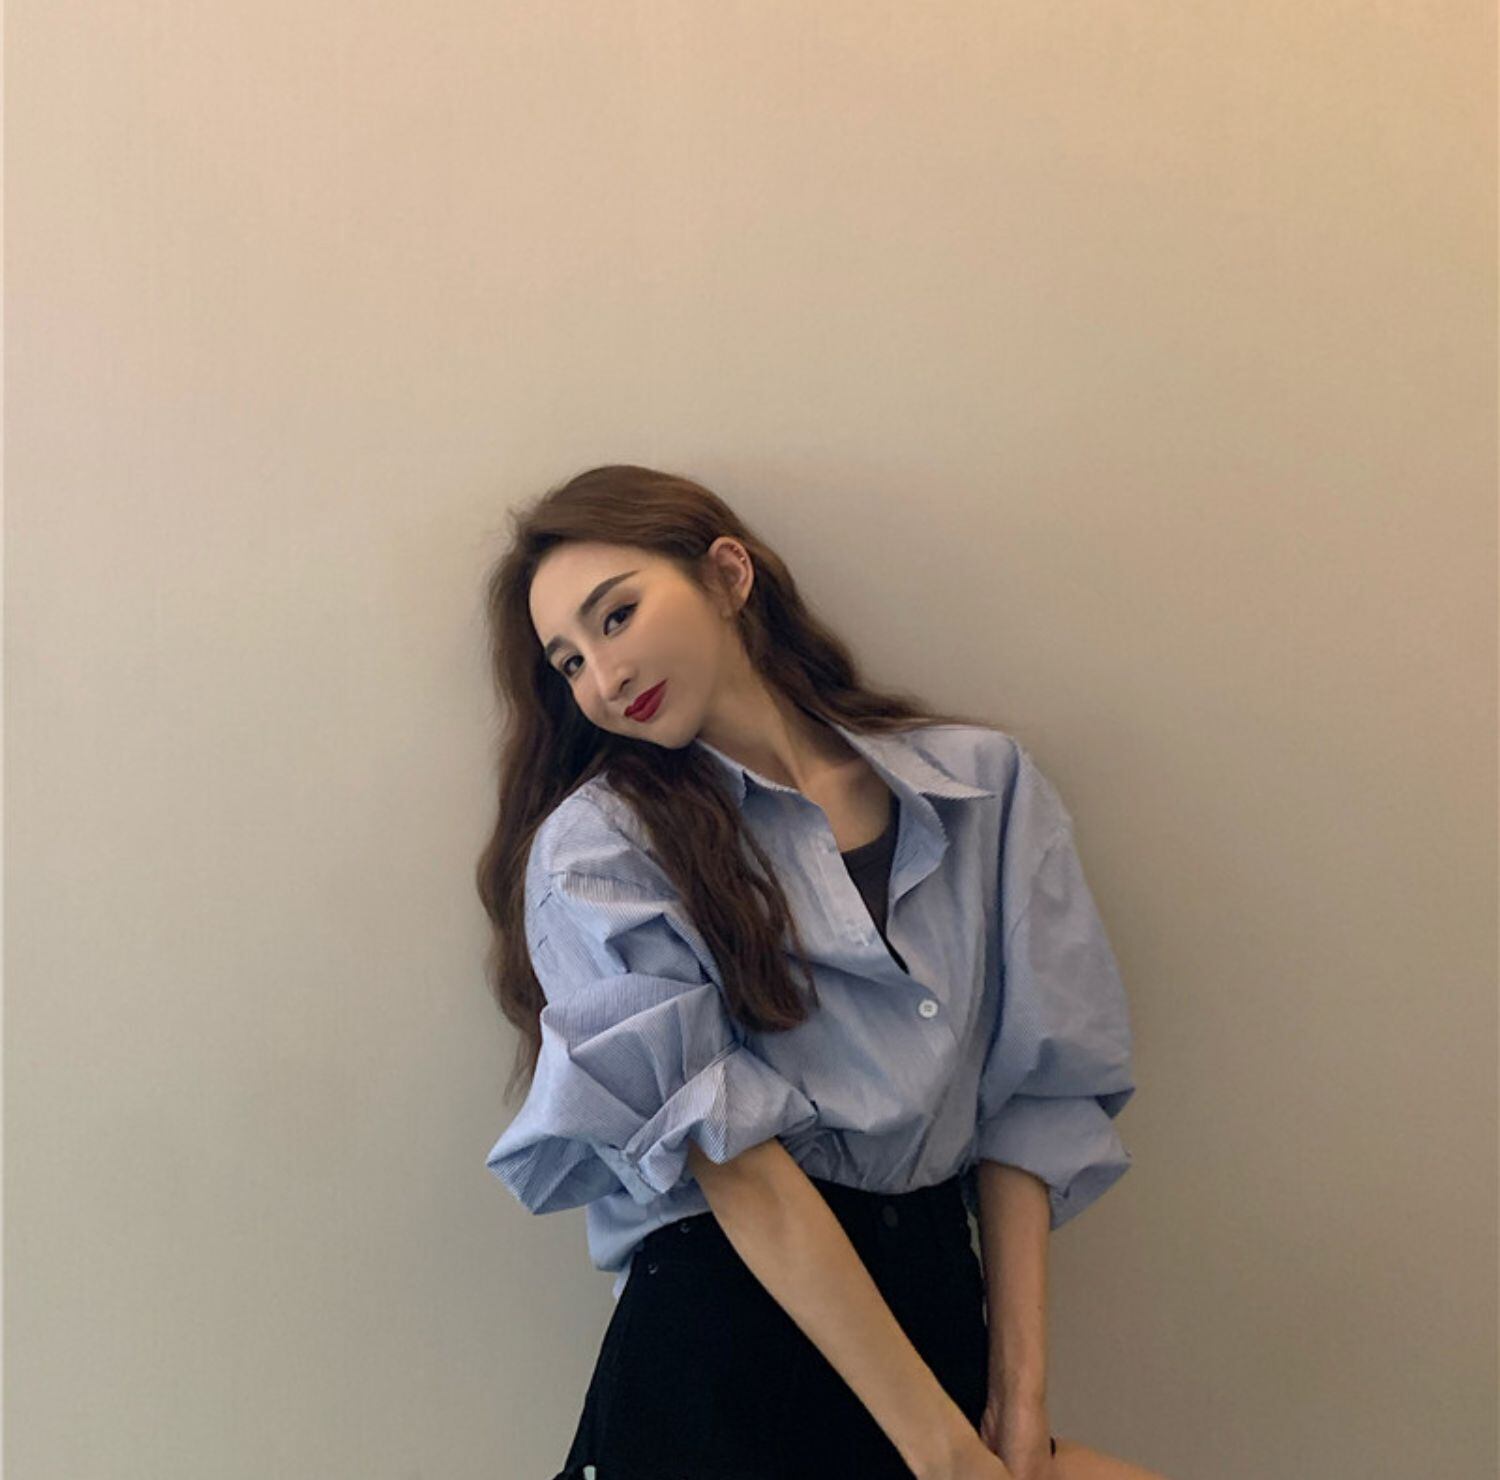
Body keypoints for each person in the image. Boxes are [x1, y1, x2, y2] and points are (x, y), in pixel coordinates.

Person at [475, 466, 1167, 1479]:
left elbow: (1033, 1100)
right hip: (728, 1348)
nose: (605, 677)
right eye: (570, 662)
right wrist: (941, 1451)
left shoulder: (984, 787)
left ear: (727, 574)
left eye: (617, 616)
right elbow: (740, 1168)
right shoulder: (600, 848)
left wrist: (1017, 1409)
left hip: (936, 1317)